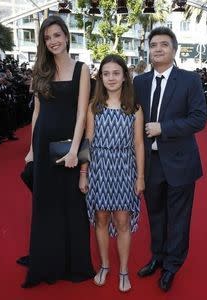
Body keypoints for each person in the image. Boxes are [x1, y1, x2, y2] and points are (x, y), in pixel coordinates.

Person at [21, 15, 94, 288]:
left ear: (66, 36)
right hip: (43, 145)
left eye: (57, 35)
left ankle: (73, 263)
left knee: (72, 204)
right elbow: (37, 112)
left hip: (69, 145)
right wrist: (30, 149)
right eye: (47, 37)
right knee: (47, 204)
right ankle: (47, 261)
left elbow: (81, 115)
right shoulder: (39, 70)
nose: (53, 41)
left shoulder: (82, 69)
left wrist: (75, 150)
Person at [133, 26, 207, 292]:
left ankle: (172, 266)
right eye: (153, 45)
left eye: (164, 44)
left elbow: (199, 119)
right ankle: (158, 257)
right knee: (155, 214)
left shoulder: (190, 80)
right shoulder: (139, 82)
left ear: (174, 50)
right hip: (150, 163)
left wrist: (163, 127)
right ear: (149, 50)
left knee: (178, 217)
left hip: (181, 162)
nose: (158, 49)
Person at [79, 54, 145, 293]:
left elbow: (138, 144)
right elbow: (88, 141)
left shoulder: (134, 108)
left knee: (123, 221)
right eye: (106, 73)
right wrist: (83, 173)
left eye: (116, 73)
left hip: (125, 169)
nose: (111, 78)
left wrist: (140, 177)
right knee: (101, 220)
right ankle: (105, 265)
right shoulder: (93, 107)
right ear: (100, 78)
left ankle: (124, 269)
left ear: (125, 76)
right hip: (99, 169)